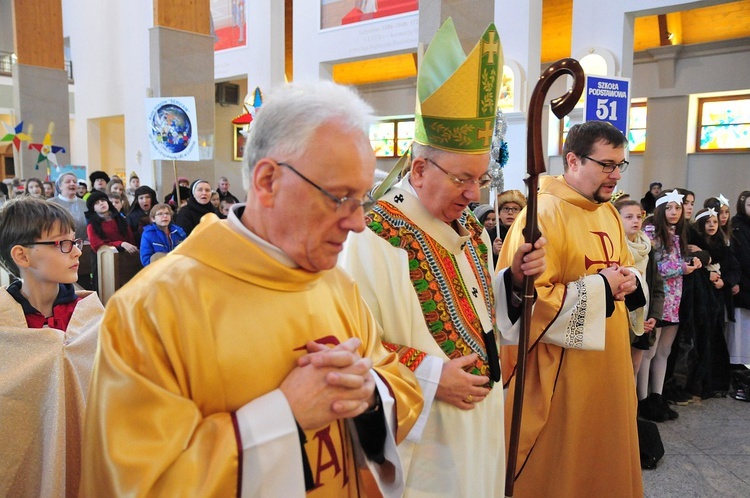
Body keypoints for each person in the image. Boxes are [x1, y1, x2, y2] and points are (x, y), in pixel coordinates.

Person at [80, 80, 423, 497]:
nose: (357, 222)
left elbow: (395, 381)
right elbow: (138, 483)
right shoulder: (151, 308)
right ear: (267, 181)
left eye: (362, 199)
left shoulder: (336, 284)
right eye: (339, 197)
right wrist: (284, 416)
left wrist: (368, 395)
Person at [340, 19, 545, 498]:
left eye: (482, 179)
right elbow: (353, 342)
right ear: (418, 168)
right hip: (427, 431)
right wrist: (431, 377)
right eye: (462, 179)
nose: (475, 194)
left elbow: (477, 314)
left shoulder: (470, 226)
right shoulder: (372, 237)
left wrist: (512, 282)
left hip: (483, 415)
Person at [498, 121, 646, 497]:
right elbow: (526, 301)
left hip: (610, 364)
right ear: (573, 160)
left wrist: (629, 280)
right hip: (562, 373)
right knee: (564, 469)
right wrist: (601, 287)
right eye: (607, 165)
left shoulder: (609, 212)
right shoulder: (541, 214)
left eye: (620, 165)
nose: (615, 175)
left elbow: (625, 265)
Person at [0, 198, 103, 497]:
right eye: (62, 244)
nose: (77, 251)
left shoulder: (93, 317)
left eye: (75, 241)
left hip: (88, 457)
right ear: (22, 255)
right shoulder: (6, 325)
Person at [641, 190, 702, 420]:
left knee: (664, 353)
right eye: (669, 208)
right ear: (660, 210)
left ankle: (658, 396)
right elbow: (653, 268)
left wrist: (692, 262)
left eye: (677, 208)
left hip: (674, 301)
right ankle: (643, 399)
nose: (674, 212)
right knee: (649, 352)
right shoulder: (651, 233)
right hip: (657, 301)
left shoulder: (678, 234)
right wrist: (681, 268)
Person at [616, 199, 664, 385]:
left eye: (639, 216)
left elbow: (657, 286)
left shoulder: (646, 248)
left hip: (644, 319)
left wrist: (654, 315)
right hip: (621, 321)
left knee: (633, 370)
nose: (635, 221)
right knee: (617, 373)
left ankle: (632, 411)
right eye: (629, 217)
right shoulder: (614, 247)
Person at [727, 190, 750, 370]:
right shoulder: (737, 225)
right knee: (741, 329)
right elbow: (743, 255)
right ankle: (737, 364)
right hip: (743, 281)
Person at [85, 190, 137, 254]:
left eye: (103, 200)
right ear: (93, 209)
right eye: (97, 203)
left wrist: (129, 246)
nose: (101, 203)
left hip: (127, 254)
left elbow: (130, 238)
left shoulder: (120, 219)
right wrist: (121, 244)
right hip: (105, 257)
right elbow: (97, 246)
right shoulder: (92, 226)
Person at [48, 172, 88, 240]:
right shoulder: (51, 204)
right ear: (60, 186)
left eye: (75, 182)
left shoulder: (85, 204)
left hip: (83, 243)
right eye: (68, 182)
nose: (72, 184)